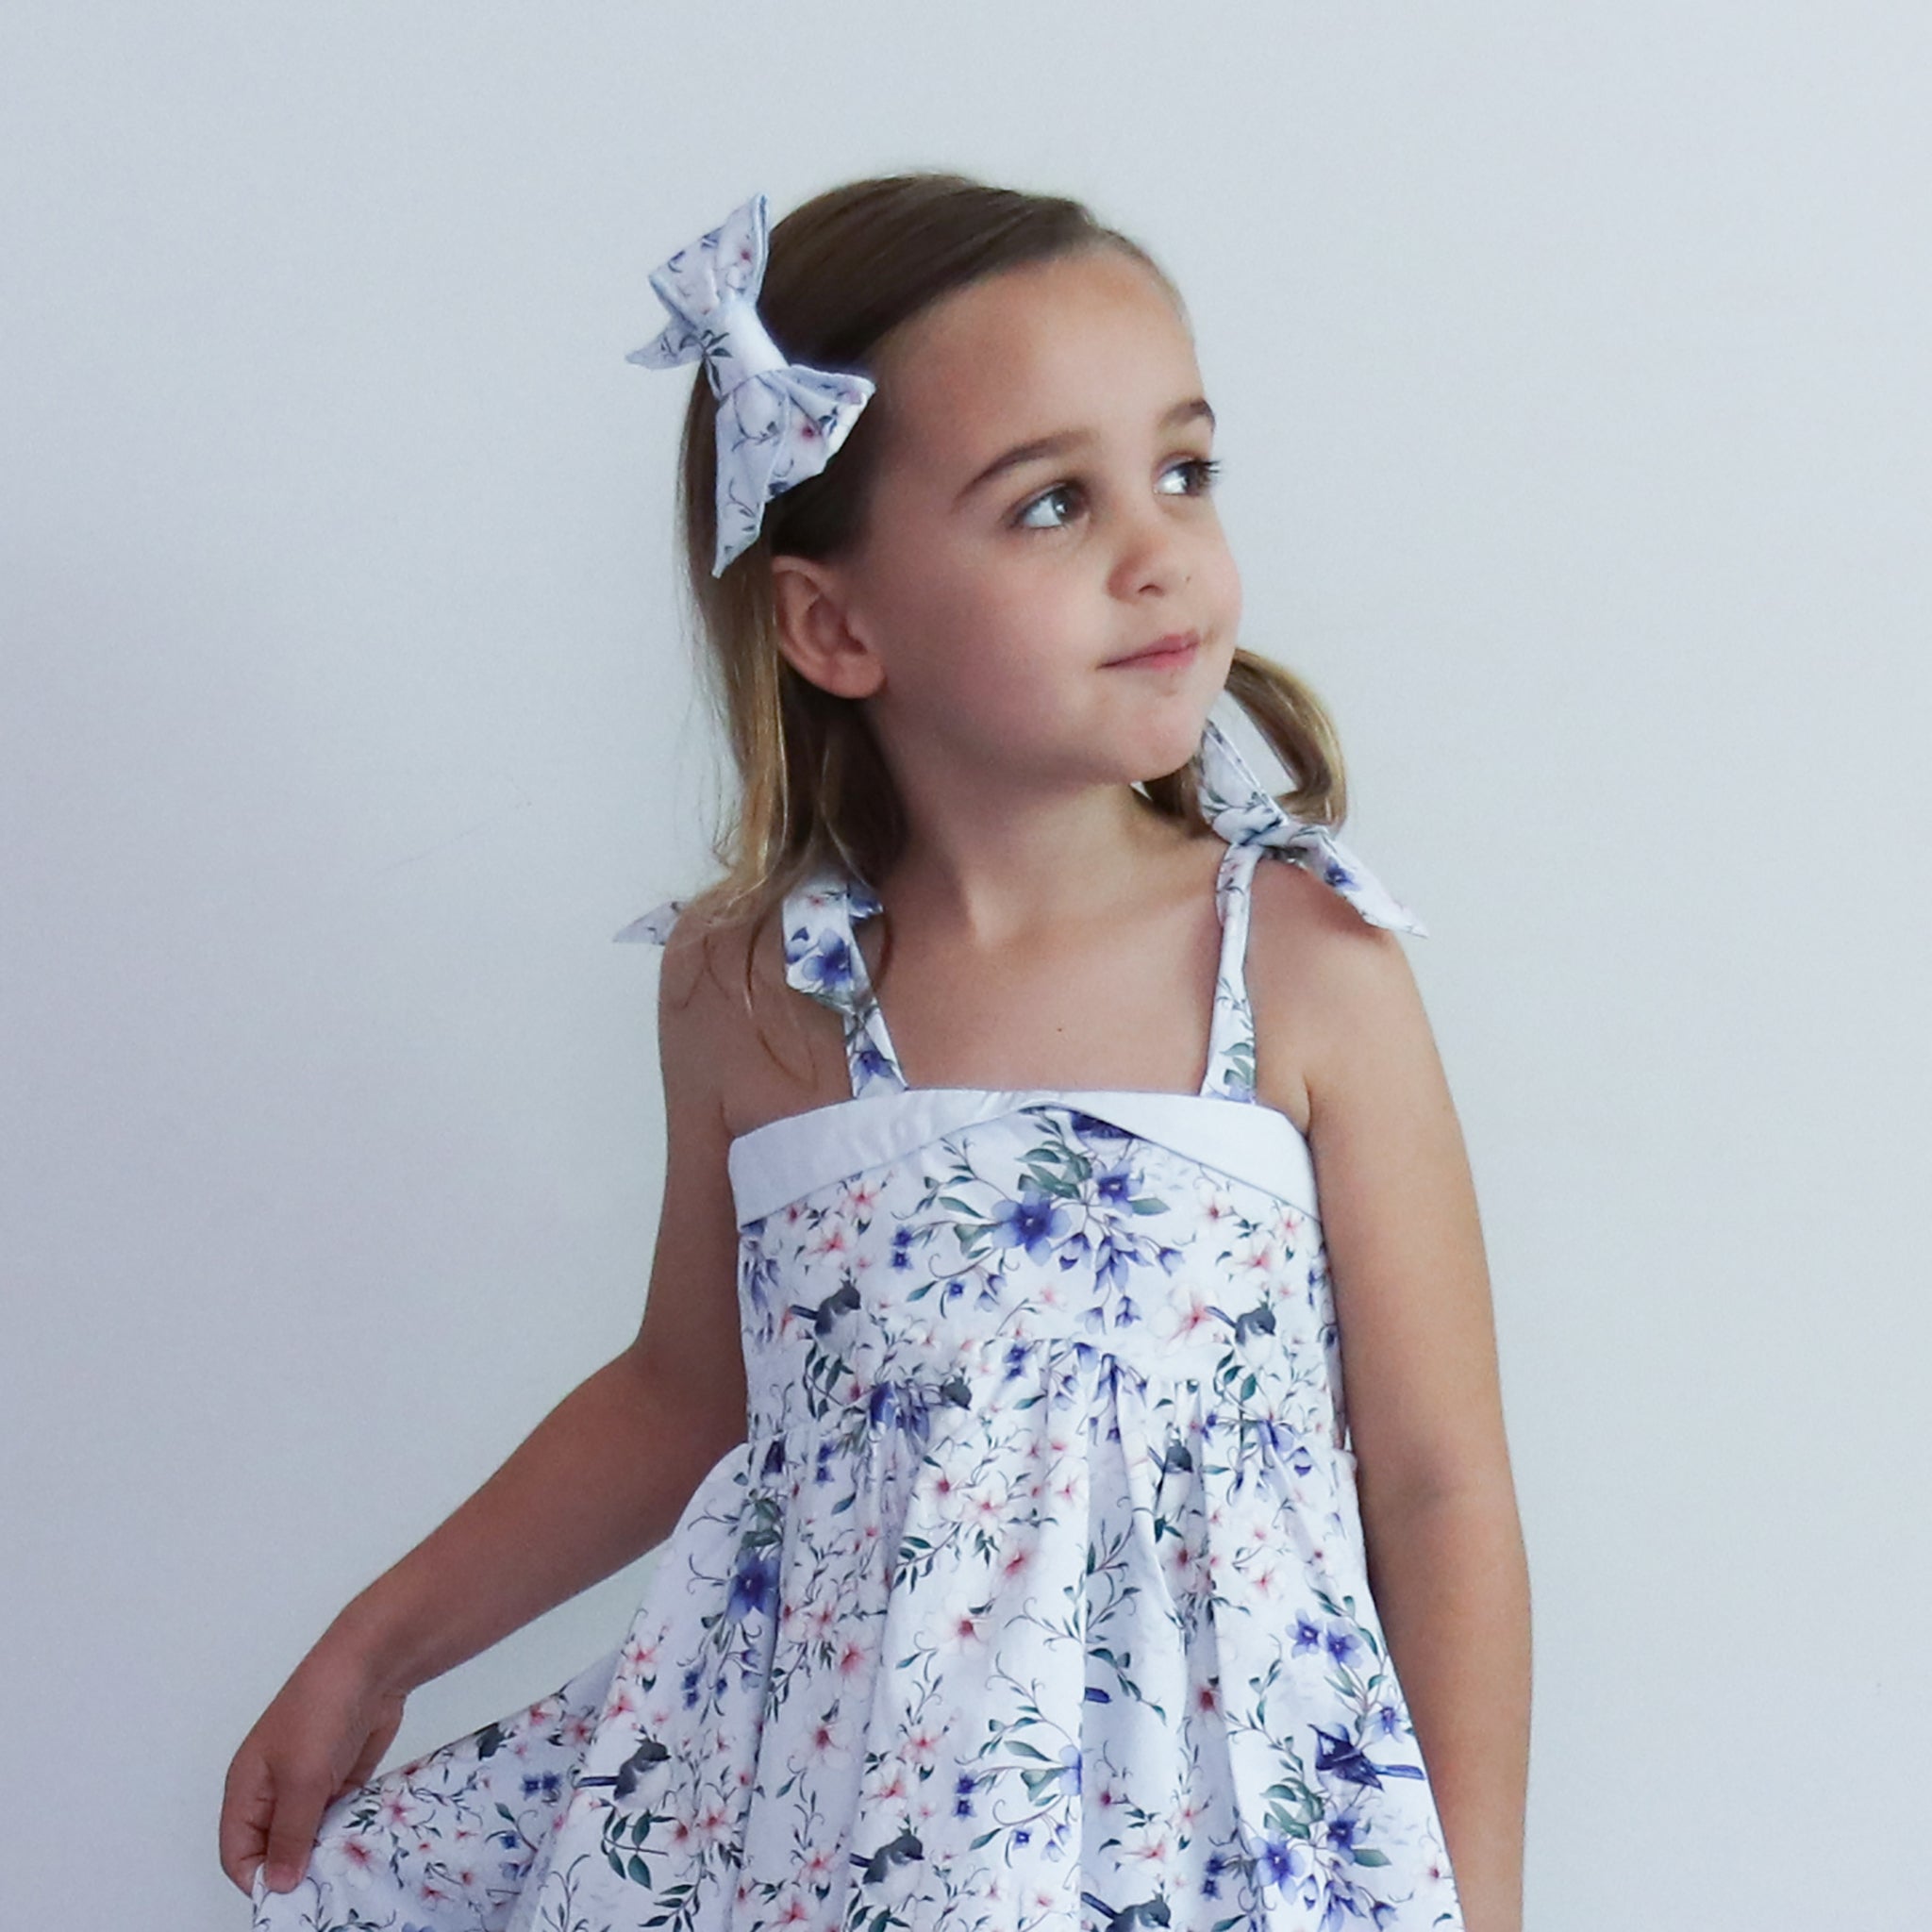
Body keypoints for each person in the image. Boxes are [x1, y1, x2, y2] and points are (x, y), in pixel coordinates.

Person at [219, 172, 1531, 1932]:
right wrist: (375, 1647)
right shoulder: (751, 991)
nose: (1160, 551)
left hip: (1220, 1845)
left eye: (1185, 470)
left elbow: (1440, 1480)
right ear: (837, 625)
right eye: (1052, 502)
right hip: (828, 1834)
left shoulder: (1296, 963)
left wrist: (1482, 1902)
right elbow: (686, 1394)